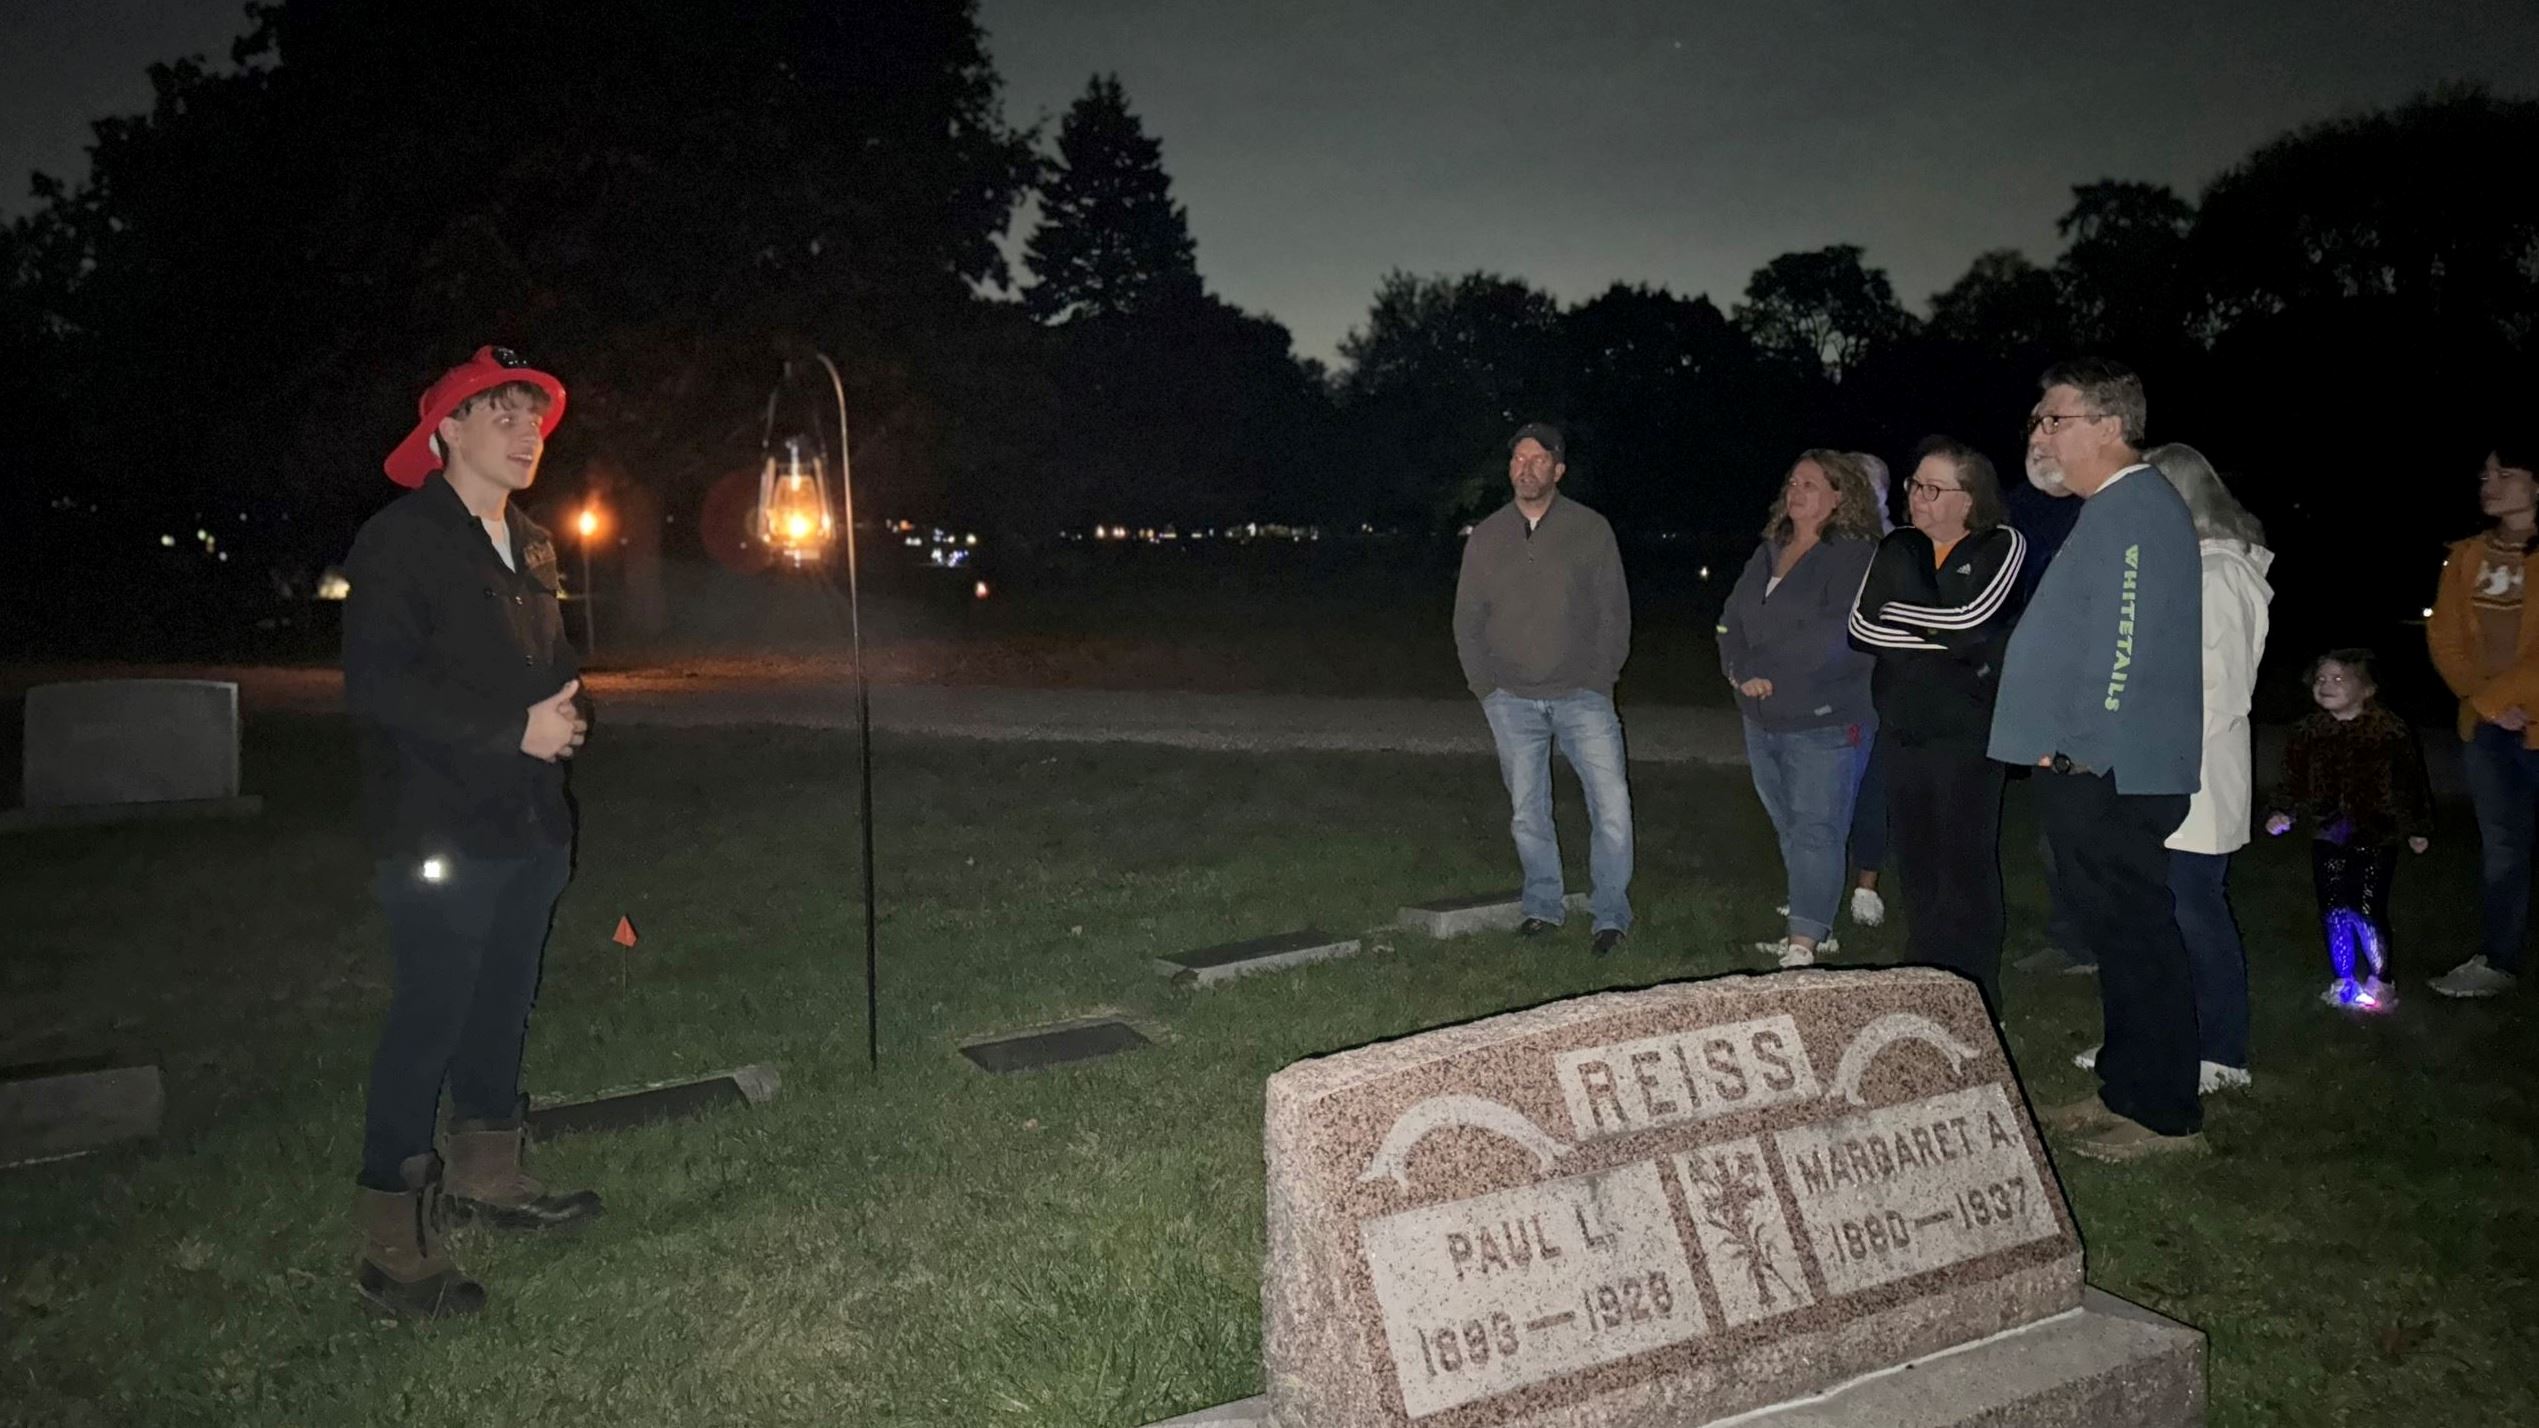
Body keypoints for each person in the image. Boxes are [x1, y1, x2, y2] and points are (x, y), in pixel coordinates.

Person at [344, 345, 604, 1319]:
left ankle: (489, 1175)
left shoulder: (532, 541)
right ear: (446, 429)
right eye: (503, 413)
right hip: (436, 825)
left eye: (534, 417)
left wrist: (570, 712)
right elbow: (380, 686)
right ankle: (389, 1239)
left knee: (502, 1004)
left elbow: (550, 661)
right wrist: (511, 732)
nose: (527, 433)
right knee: (431, 1018)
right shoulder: (400, 540)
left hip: (529, 824)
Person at [1989, 358, 2206, 1162]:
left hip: (2111, 771)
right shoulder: (2112, 509)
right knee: (2116, 941)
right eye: (2037, 420)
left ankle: (2164, 1116)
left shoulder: (2134, 509)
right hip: (2096, 765)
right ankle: (2125, 1087)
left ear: (2110, 427)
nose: (2039, 436)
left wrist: (2079, 749)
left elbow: (2123, 644)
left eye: (2055, 420)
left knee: (2138, 939)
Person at [2074, 443, 2271, 1091]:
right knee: (2149, 916)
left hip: (2188, 776)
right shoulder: (2177, 570)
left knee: (2192, 911)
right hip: (2149, 771)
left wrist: (2148, 750)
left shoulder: (2220, 576)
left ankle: (2220, 1050)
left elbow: (2218, 692)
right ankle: (2149, 1039)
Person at [1848, 436, 2027, 1011]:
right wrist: (1941, 631)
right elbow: (1859, 628)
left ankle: (1976, 994)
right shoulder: (1898, 545)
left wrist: (1907, 620)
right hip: (1902, 728)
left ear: (1968, 498)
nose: (1917, 498)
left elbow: (1973, 622)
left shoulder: (2001, 544)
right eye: (1914, 485)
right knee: (1918, 860)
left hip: (1967, 735)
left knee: (1965, 864)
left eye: (1932, 488)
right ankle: (1925, 979)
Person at [1454, 421, 1634, 955]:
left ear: (1558, 470)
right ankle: (1542, 908)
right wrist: (1485, 688)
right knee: (1527, 813)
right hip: (1511, 700)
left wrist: (1599, 680)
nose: (1525, 468)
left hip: (1582, 695)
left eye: (1537, 460)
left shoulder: (1590, 529)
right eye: (1518, 459)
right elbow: (1467, 618)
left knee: (1612, 809)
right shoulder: (1488, 535)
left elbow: (1613, 612)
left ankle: (1610, 915)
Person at [1719, 450, 1881, 966]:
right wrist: (1739, 668)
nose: (1796, 491)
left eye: (1810, 484)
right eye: (1793, 482)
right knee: (1791, 825)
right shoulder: (1771, 550)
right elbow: (1729, 620)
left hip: (1825, 717)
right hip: (1761, 714)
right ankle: (1817, 921)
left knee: (1817, 828)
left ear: (1840, 496)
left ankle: (1803, 945)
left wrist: (1770, 672)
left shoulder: (1855, 557)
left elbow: (1838, 634)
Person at [2426, 434, 2539, 998]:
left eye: (2504, 474)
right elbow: (2445, 636)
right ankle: (2498, 959)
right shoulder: (2469, 555)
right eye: (2484, 476)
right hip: (2490, 729)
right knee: (2502, 850)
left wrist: (2500, 700)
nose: (2489, 485)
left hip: (2521, 719)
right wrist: (2482, 700)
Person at [2265, 649, 2433, 1009]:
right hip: (2327, 835)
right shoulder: (2308, 732)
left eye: (2338, 679)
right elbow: (2293, 779)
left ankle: (2381, 979)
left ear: (2367, 687)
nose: (2326, 685)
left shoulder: (2388, 731)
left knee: (2367, 907)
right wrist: (2283, 810)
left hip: (2375, 834)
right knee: (2334, 907)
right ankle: (2343, 977)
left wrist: (2416, 826)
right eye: (2321, 679)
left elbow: (2409, 782)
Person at [1842, 452, 1895, 929]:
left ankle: (1867, 885)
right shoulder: (1823, 543)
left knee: (1870, 786)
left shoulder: (1894, 547)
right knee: (1819, 788)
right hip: (1827, 685)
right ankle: (1815, 884)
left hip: (1876, 684)